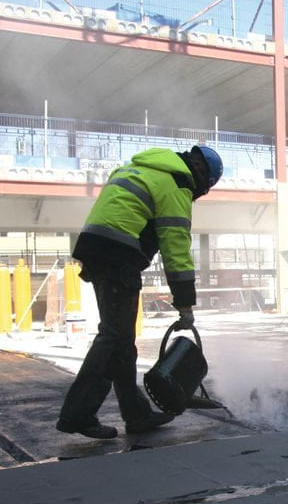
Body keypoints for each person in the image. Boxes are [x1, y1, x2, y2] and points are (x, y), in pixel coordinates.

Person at [56, 145, 223, 439]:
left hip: (96, 248)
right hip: (117, 255)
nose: (199, 196)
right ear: (202, 176)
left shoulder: (143, 168)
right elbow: (176, 250)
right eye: (204, 190)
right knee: (113, 338)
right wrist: (185, 304)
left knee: (121, 339)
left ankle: (136, 415)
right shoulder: (175, 184)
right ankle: (77, 415)